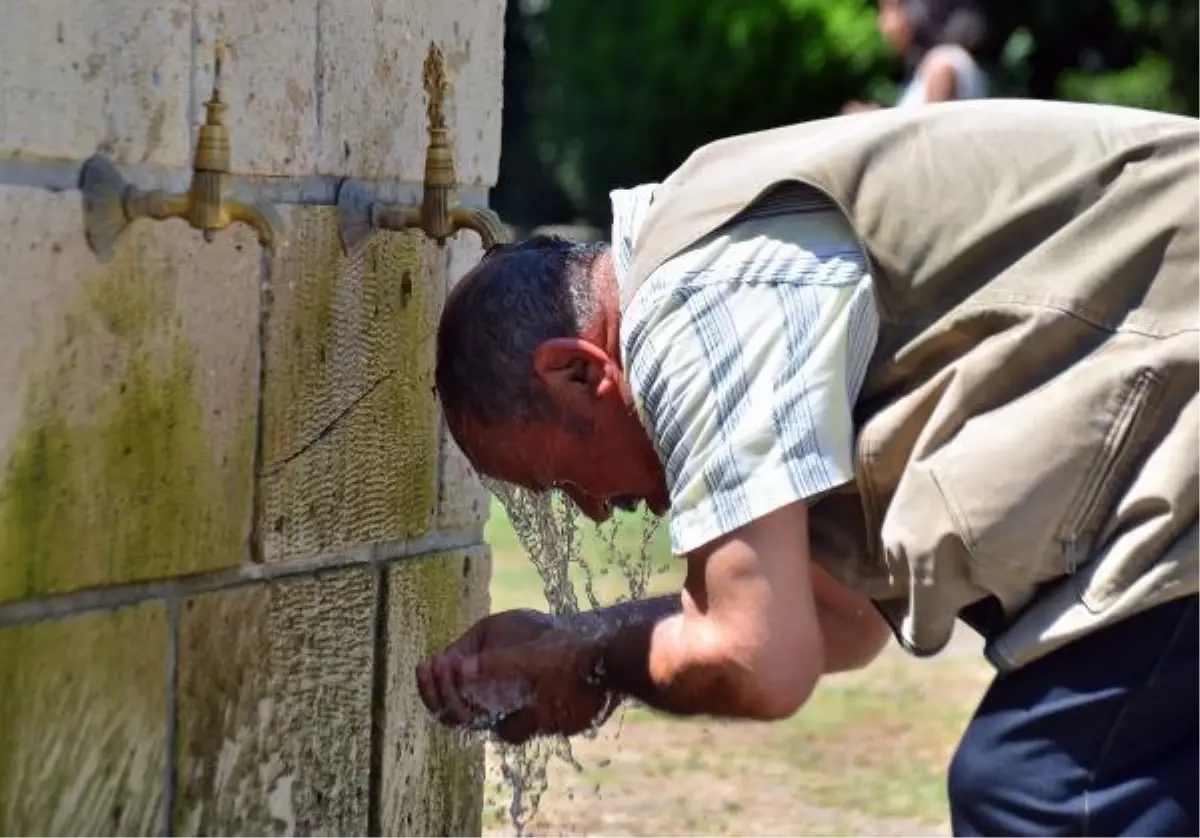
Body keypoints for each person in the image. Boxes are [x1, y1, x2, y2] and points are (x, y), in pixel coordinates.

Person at [417, 98, 1200, 836]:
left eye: (559, 478)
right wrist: (570, 640)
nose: (591, 510)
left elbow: (760, 659)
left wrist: (579, 661)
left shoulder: (697, 307)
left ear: (579, 373)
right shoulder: (707, 256)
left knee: (1050, 792)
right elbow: (835, 619)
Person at [843, 0, 988, 113]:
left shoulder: (941, 66)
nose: (881, 22)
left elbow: (932, 137)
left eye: (887, 9)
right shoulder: (931, 65)